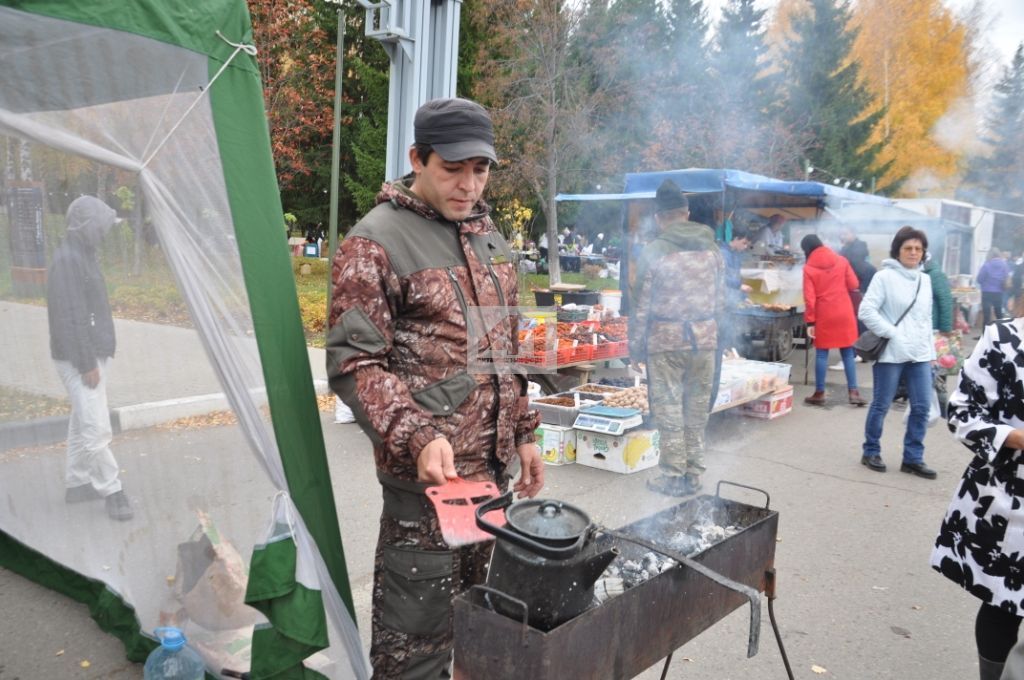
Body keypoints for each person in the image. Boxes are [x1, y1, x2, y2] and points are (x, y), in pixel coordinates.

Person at [326, 97, 544, 678]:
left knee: (486, 627)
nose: (469, 185)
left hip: (491, 479)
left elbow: (502, 347)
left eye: (481, 169)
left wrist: (523, 429)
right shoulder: (374, 241)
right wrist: (416, 435)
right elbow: (355, 363)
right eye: (452, 168)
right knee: (415, 648)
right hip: (427, 488)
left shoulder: (487, 236)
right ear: (416, 158)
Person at [931, 292, 1024, 680]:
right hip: (1006, 501)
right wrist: (1016, 438)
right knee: (1003, 602)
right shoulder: (1004, 340)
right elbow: (962, 412)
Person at [629, 180, 725, 497]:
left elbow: (641, 305)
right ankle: (693, 474)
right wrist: (716, 335)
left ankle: (672, 476)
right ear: (686, 213)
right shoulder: (712, 249)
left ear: (659, 218)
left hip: (665, 341)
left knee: (669, 409)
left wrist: (636, 347)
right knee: (696, 410)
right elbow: (721, 301)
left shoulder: (654, 252)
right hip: (704, 339)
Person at [46, 196, 133, 521]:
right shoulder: (69, 260)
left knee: (81, 419)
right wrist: (86, 364)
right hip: (79, 358)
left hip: (86, 352)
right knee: (96, 427)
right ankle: (113, 492)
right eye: (102, 227)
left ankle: (77, 482)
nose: (105, 233)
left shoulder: (80, 254)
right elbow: (69, 316)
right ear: (88, 227)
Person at [857, 226, 937, 478]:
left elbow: (926, 319)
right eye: (908, 248)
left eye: (918, 249)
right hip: (891, 353)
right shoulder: (884, 277)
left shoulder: (925, 279)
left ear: (923, 253)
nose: (913, 253)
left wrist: (931, 351)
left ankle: (913, 458)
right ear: (898, 251)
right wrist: (892, 333)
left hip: (920, 354)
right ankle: (871, 450)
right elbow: (866, 311)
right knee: (881, 404)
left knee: (922, 407)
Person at [799, 234, 866, 406]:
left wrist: (810, 322)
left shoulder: (808, 268)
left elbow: (809, 298)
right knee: (847, 354)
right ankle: (854, 392)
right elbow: (853, 284)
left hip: (824, 313)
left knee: (822, 353)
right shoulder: (842, 260)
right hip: (844, 311)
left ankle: (819, 392)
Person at [718, 228, 752, 352]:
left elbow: (736, 276)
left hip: (731, 300)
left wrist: (744, 297)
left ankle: (728, 353)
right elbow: (720, 277)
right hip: (722, 300)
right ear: (736, 239)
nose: (745, 247)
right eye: (744, 243)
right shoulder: (723, 253)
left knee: (730, 330)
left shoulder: (736, 255)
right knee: (723, 330)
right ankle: (723, 354)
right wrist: (739, 286)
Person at [976, 248, 1010, 330]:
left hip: (987, 293)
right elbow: (1007, 277)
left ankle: (986, 336)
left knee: (987, 315)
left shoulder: (986, 265)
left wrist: (985, 283)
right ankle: (1002, 334)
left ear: (990, 255)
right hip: (999, 292)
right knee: (999, 314)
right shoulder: (1004, 265)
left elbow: (979, 279)